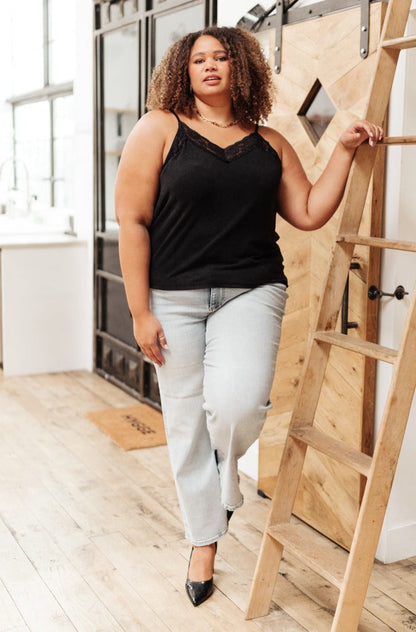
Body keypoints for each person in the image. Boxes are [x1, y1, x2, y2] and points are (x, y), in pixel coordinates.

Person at [115, 25, 383, 607]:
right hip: (172, 298)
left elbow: (309, 212)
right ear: (182, 73)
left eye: (220, 57)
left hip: (251, 290)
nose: (209, 66)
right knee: (187, 424)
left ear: (242, 67)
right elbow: (132, 222)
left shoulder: (272, 143)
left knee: (237, 405)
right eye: (197, 60)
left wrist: (340, 148)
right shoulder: (158, 129)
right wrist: (139, 310)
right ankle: (204, 540)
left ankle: (222, 490)